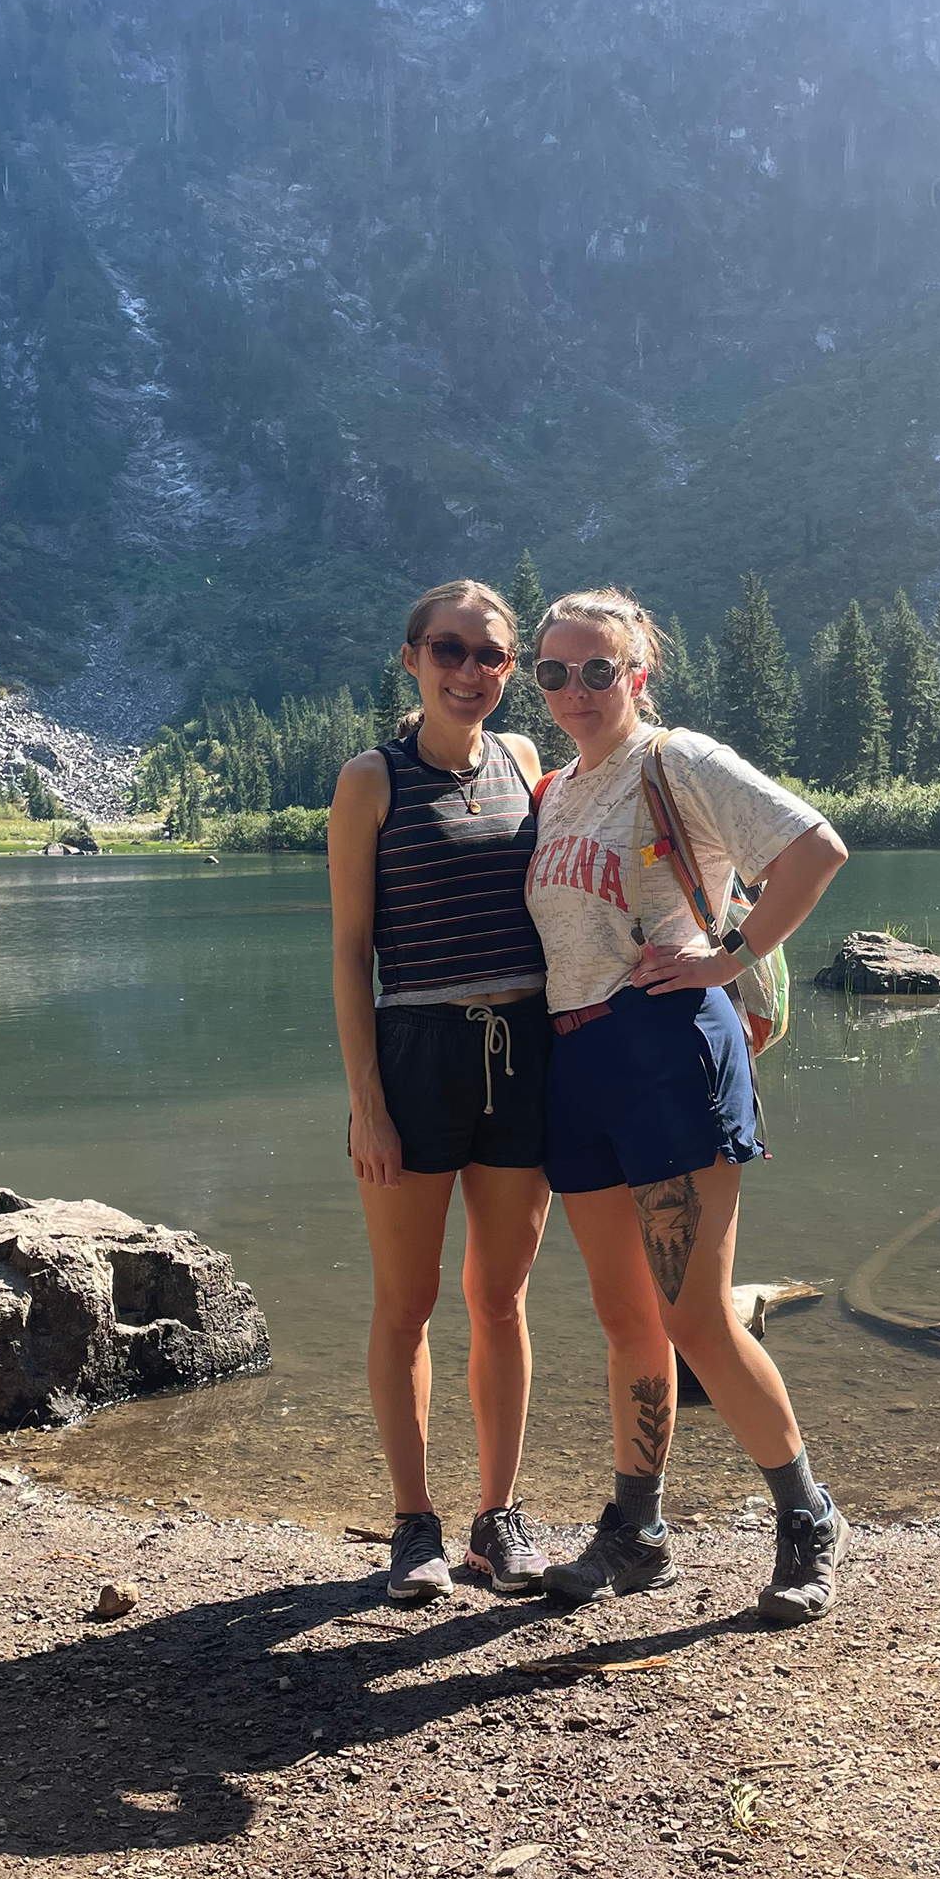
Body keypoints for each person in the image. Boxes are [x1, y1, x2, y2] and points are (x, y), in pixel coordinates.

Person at [523, 587, 852, 1624]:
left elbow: (815, 850)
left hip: (667, 1045)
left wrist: (732, 956)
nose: (574, 689)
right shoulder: (558, 788)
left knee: (695, 1314)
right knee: (627, 1317)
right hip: (576, 1058)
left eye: (596, 668)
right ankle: (638, 1531)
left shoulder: (681, 762)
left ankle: (807, 1516)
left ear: (637, 672)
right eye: (554, 671)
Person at [328, 580, 553, 1606]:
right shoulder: (371, 781)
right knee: (406, 1303)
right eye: (450, 649)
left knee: (499, 1299)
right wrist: (366, 1100)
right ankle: (412, 1523)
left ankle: (496, 1520)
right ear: (411, 656)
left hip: (523, 1052)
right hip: (414, 1048)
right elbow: (349, 952)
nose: (471, 671)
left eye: (493, 655)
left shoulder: (524, 762)